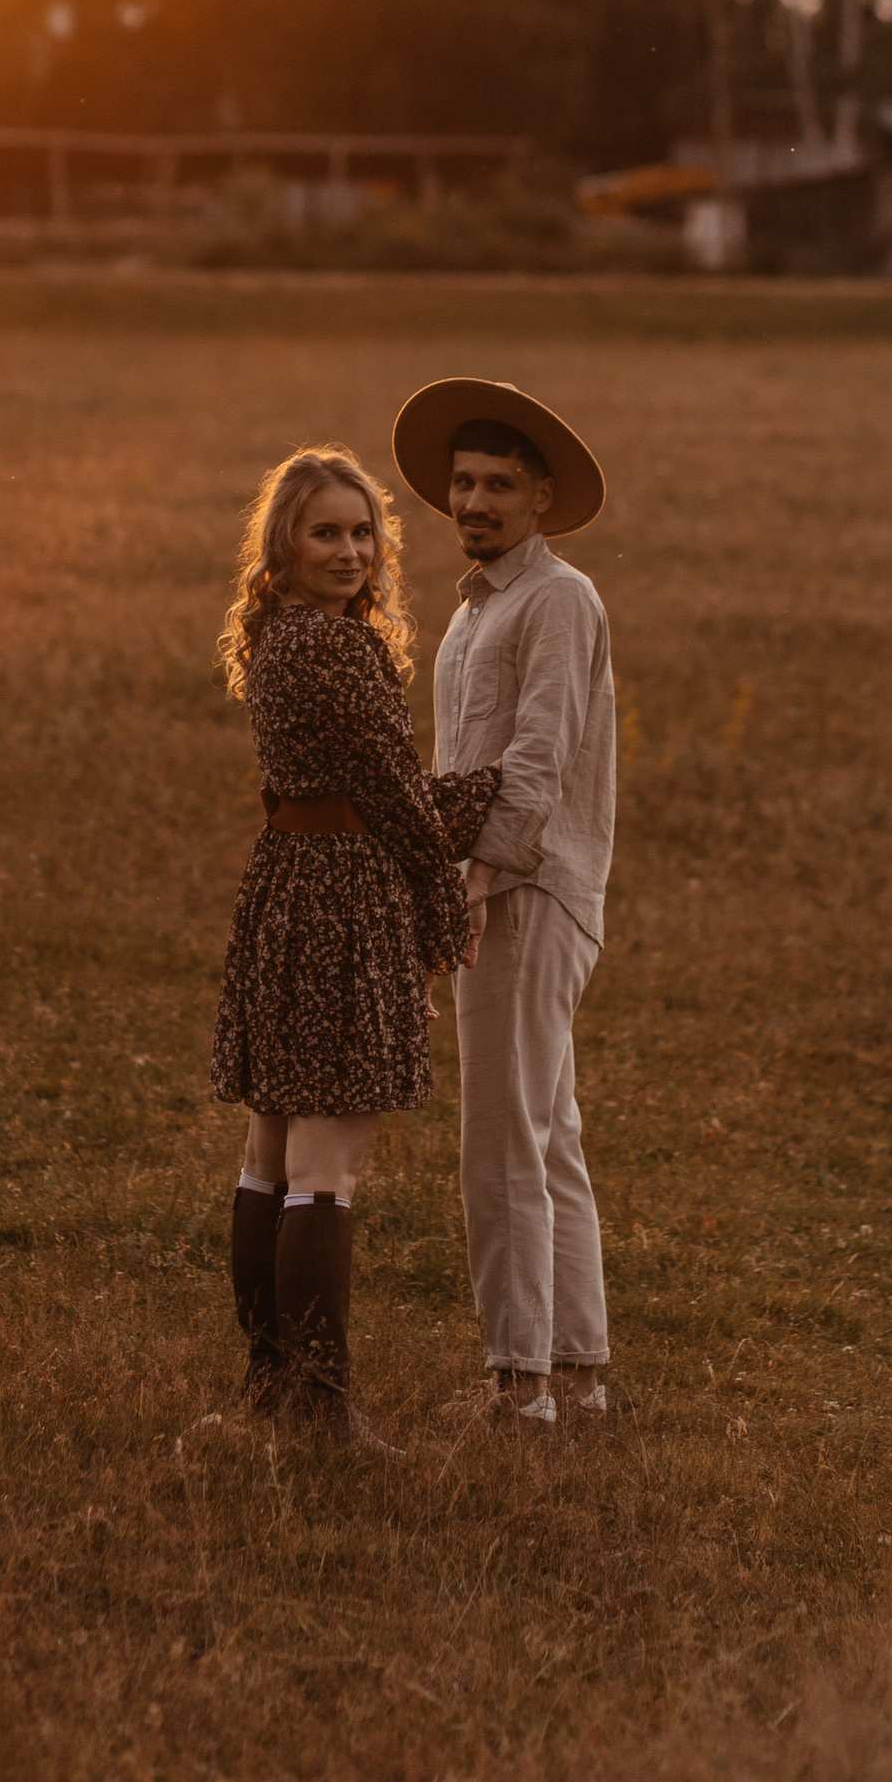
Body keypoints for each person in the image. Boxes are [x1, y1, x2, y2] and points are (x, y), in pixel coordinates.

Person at [210, 446, 498, 1437]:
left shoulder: (283, 640)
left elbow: (376, 787)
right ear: (281, 548)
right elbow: (392, 803)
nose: (349, 551)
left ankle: (268, 1389)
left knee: (273, 1151)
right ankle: (317, 1411)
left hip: (285, 887)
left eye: (363, 531)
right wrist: (449, 889)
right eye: (324, 532)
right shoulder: (336, 649)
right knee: (322, 1165)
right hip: (338, 896)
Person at [392, 375, 616, 1431]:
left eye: (497, 485)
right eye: (462, 484)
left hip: (524, 892)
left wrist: (473, 885)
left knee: (501, 1142)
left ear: (539, 499)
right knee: (544, 1129)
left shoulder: (556, 598)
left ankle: (516, 1382)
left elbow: (536, 760)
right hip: (502, 887)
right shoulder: (481, 607)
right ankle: (575, 1371)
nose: (473, 502)